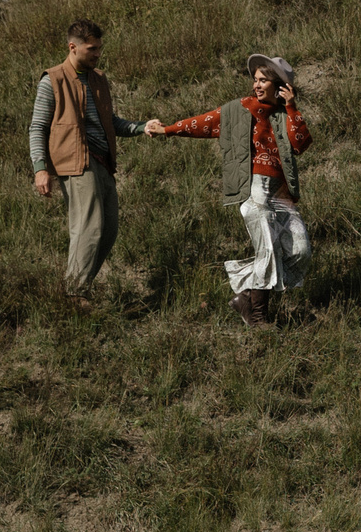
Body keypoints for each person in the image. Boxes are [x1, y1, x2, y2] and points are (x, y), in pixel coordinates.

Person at [150, 53, 312, 327]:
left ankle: (246, 296)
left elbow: (301, 144)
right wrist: (168, 130)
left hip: (282, 193)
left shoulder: (286, 115)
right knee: (268, 249)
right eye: (255, 80)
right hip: (254, 188)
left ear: (280, 86)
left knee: (300, 252)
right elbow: (204, 122)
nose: (256, 85)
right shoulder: (241, 109)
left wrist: (292, 106)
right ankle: (257, 315)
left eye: (263, 81)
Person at [29, 19, 153, 311]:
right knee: (89, 226)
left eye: (99, 48)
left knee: (108, 229)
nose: (98, 54)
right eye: (92, 49)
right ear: (73, 47)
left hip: (102, 161)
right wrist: (40, 168)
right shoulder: (52, 80)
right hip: (74, 163)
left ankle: (75, 288)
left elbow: (112, 122)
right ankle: (75, 295)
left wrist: (143, 127)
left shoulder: (98, 79)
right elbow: (38, 127)